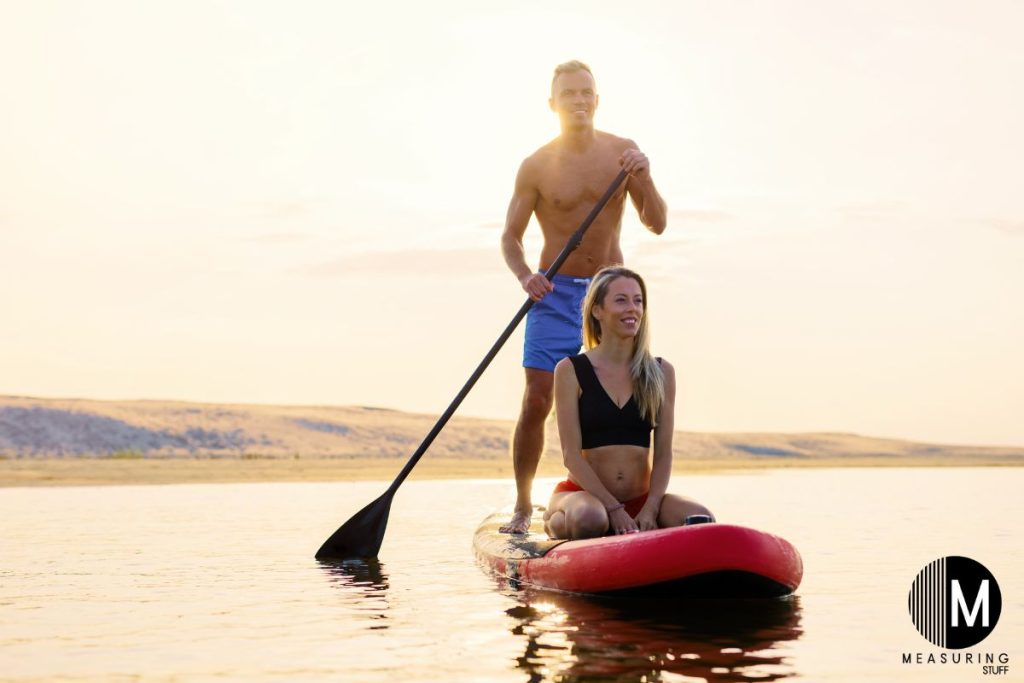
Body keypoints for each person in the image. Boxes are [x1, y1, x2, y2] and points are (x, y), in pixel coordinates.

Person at [499, 60, 668, 534]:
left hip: (609, 292)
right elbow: (510, 237)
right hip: (553, 294)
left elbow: (656, 223)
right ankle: (521, 505)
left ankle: (630, 500)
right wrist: (525, 276)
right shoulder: (535, 165)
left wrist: (646, 176)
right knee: (537, 399)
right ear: (553, 104)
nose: (578, 100)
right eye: (568, 93)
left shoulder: (622, 153)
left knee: (627, 396)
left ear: (597, 100)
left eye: (586, 93)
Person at [543, 266, 713, 539]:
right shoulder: (570, 369)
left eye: (638, 300)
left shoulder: (660, 371)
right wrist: (613, 508)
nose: (632, 308)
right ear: (597, 310)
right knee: (590, 519)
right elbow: (570, 455)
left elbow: (663, 454)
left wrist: (651, 508)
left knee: (700, 517)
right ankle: (555, 520)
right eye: (621, 300)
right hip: (586, 498)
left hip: (641, 500)